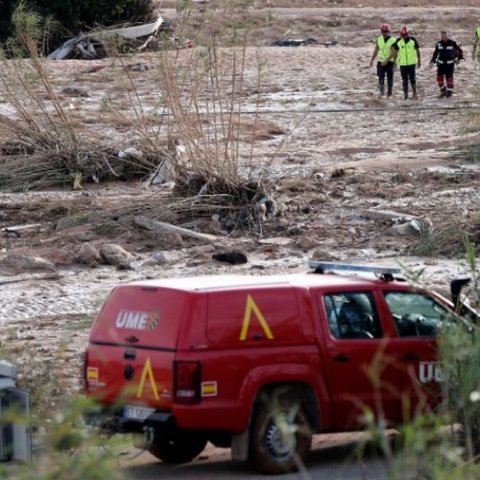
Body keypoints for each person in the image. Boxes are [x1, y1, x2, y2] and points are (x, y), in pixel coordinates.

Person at [431, 30, 463, 98]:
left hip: (449, 65)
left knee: (449, 80)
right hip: (441, 65)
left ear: (447, 35)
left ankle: (449, 94)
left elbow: (460, 51)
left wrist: (459, 59)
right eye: (442, 36)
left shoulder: (452, 43)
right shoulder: (439, 43)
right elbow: (435, 53)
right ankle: (443, 91)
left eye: (445, 36)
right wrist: (433, 60)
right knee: (439, 80)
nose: (444, 37)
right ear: (441, 36)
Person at [391, 26, 421, 100]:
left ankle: (415, 94)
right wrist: (394, 62)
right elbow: (394, 52)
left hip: (411, 63)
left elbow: (417, 51)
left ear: (407, 34)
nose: (403, 37)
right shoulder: (398, 41)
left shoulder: (413, 40)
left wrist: (419, 61)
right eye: (402, 35)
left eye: (404, 35)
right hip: (403, 64)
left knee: (412, 79)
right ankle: (406, 96)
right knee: (404, 80)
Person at [369, 23, 396, 98]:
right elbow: (376, 50)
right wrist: (372, 60)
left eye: (386, 31)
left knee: (390, 78)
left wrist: (387, 61)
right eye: (383, 32)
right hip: (380, 62)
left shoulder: (393, 40)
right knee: (381, 77)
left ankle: (389, 93)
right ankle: (382, 93)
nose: (385, 33)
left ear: (389, 31)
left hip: (390, 62)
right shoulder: (379, 39)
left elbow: (394, 52)